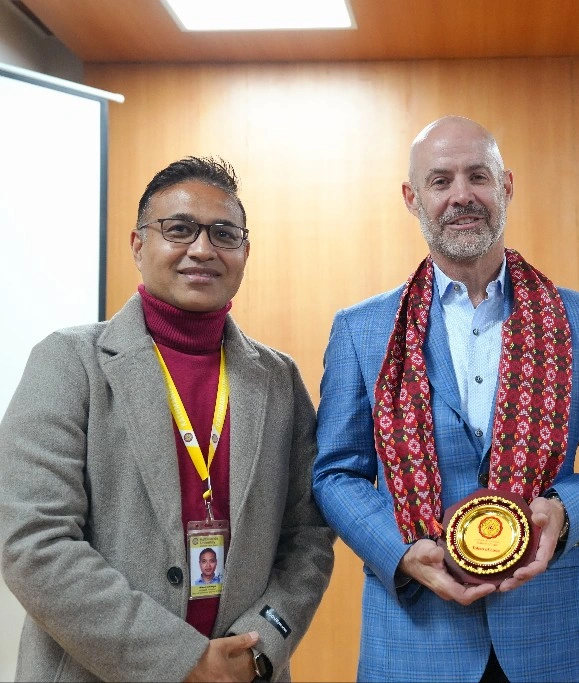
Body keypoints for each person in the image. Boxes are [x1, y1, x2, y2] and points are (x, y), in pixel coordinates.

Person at [313, 116, 579, 682]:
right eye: (440, 181)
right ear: (411, 197)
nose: (461, 196)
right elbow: (335, 472)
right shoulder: (360, 330)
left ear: (507, 187)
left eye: (479, 176)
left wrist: (566, 512)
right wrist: (398, 550)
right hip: (415, 640)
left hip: (549, 639)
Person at [0, 157, 335, 682]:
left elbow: (309, 536)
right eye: (178, 229)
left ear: (245, 251)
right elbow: (33, 540)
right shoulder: (69, 363)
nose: (202, 249)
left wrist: (262, 645)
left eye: (223, 234)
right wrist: (180, 660)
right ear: (138, 244)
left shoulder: (278, 379)